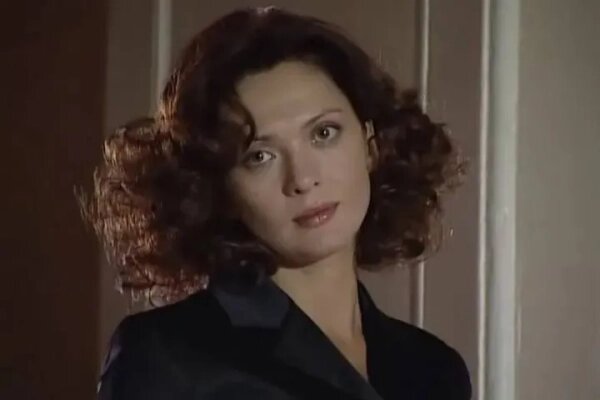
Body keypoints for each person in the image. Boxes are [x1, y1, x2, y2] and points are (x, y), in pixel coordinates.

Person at [79, 6, 470, 400]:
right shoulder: (166, 356)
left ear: (371, 144)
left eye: (324, 133)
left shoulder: (433, 368)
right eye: (259, 156)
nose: (302, 179)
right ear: (219, 187)